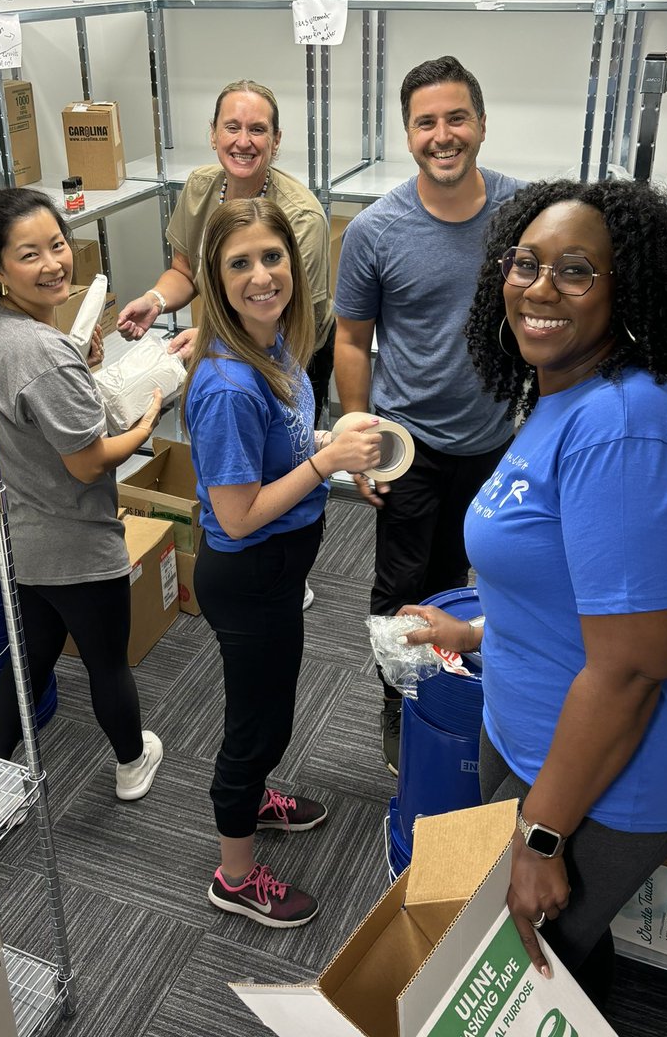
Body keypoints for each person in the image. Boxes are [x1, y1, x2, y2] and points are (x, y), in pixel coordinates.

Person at [400, 178, 667, 1009]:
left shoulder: (626, 429)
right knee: (535, 948)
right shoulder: (562, 395)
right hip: (533, 735)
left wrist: (540, 836)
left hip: (612, 781)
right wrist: (478, 635)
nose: (540, 288)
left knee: (520, 962)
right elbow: (571, 588)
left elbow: (631, 670)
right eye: (526, 263)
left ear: (626, 291)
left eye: (577, 271)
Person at [182, 197, 381, 928]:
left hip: (279, 570)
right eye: (240, 264)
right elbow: (236, 513)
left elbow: (282, 449)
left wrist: (330, 435)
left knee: (272, 710)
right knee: (254, 727)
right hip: (251, 573)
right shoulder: (231, 384)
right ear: (214, 277)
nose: (262, 275)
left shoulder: (274, 351)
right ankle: (233, 876)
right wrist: (328, 459)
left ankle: (258, 795)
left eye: (272, 258)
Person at [333, 55, 523, 774]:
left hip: (493, 438)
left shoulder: (521, 213)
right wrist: (361, 435)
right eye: (425, 122)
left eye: (456, 118)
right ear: (407, 134)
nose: (443, 135)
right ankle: (397, 703)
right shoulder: (376, 231)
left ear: (479, 123)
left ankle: (454, 683)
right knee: (401, 582)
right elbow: (351, 341)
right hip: (407, 442)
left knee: (470, 574)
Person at [0, 185, 165, 802]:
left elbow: (35, 403)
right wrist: (144, 425)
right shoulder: (43, 353)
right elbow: (86, 463)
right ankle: (132, 763)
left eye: (57, 245)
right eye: (30, 255)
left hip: (20, 539)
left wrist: (77, 357)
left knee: (28, 661)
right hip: (75, 545)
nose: (53, 263)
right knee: (107, 661)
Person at [117, 78, 335, 427]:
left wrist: (209, 338)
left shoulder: (301, 216)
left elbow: (290, 318)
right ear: (213, 134)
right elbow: (185, 269)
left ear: (276, 140)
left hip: (291, 346)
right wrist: (155, 299)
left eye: (258, 130)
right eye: (231, 127)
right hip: (224, 342)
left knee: (286, 451)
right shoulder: (200, 188)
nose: (243, 141)